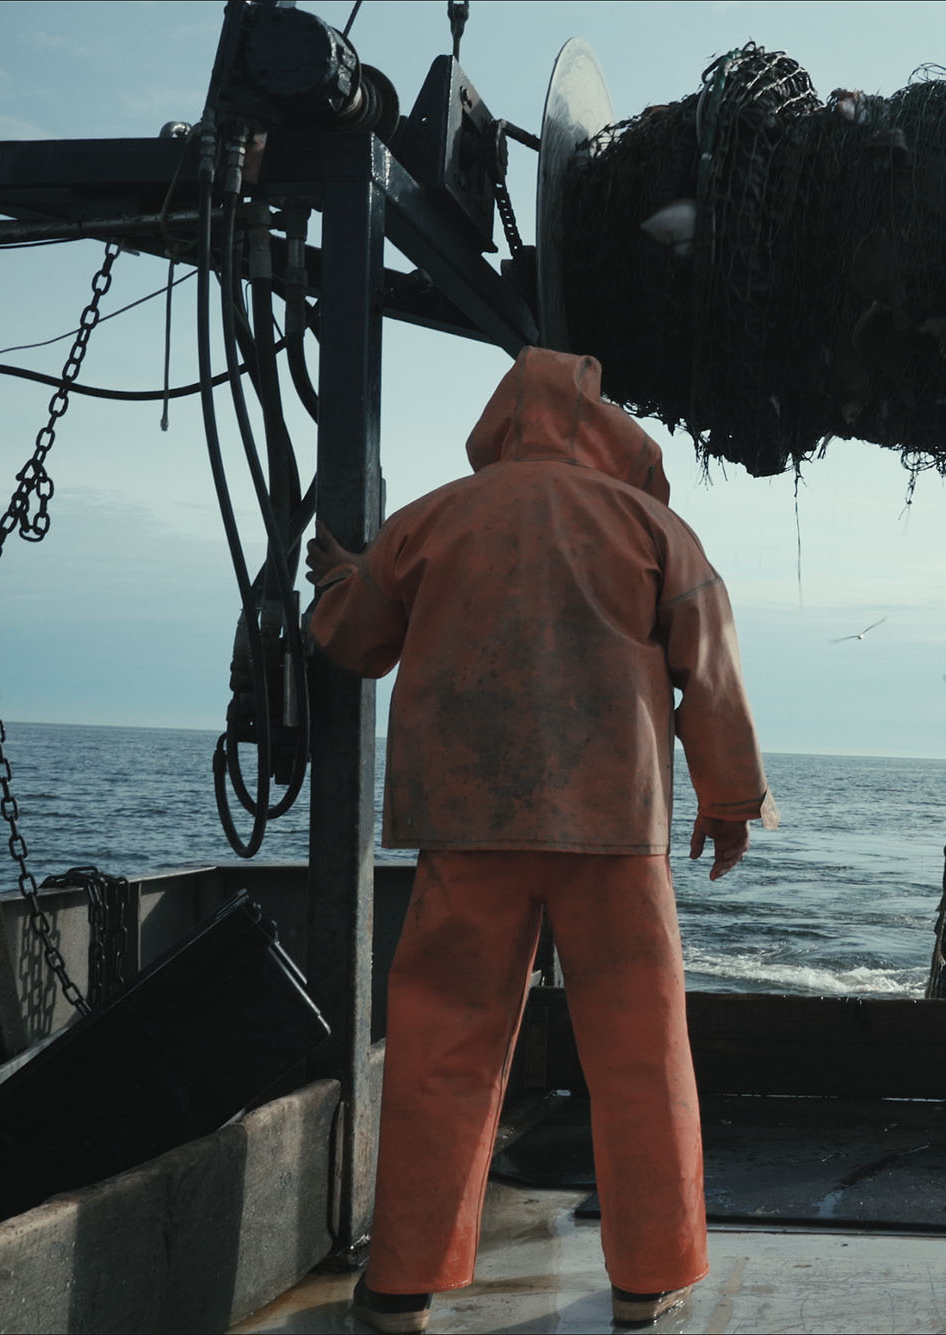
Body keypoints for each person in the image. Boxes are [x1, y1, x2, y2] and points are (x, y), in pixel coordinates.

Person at [305, 348, 777, 1332]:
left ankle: (399, 1288)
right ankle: (645, 1284)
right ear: (602, 430)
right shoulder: (654, 527)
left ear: (498, 423)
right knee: (639, 1054)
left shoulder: (433, 519)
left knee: (442, 1047)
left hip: (468, 825)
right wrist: (728, 801)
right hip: (614, 829)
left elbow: (353, 640)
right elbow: (710, 667)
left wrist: (334, 572)